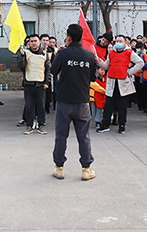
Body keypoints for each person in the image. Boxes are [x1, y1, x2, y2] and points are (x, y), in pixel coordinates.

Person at [50, 23, 97, 181]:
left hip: (64, 100)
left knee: (61, 135)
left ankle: (59, 168)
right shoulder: (89, 55)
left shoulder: (62, 54)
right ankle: (86, 169)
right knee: (84, 136)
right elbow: (93, 77)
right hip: (83, 101)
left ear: (68, 38)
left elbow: (53, 70)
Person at [96, 35, 144, 134]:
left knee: (122, 106)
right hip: (112, 82)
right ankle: (105, 124)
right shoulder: (111, 52)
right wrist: (99, 62)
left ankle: (122, 125)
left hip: (123, 83)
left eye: (120, 41)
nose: (118, 42)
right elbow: (106, 66)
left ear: (125, 43)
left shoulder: (129, 52)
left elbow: (140, 63)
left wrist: (129, 72)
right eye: (117, 40)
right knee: (108, 105)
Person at [18, 34, 52, 135]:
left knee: (41, 106)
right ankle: (29, 126)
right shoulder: (26, 53)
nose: (33, 43)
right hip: (29, 83)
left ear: (39, 42)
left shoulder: (45, 54)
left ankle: (41, 125)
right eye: (31, 41)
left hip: (41, 84)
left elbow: (48, 69)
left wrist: (47, 82)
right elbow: (21, 66)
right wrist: (22, 56)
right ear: (29, 43)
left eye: (35, 41)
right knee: (29, 106)